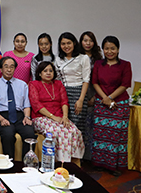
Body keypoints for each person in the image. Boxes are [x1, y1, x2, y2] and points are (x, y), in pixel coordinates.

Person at [29, 61, 85, 165]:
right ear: (39, 73)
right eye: (45, 71)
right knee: (57, 132)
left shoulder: (58, 84)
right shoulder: (34, 84)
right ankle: (59, 163)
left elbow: (64, 101)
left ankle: (74, 163)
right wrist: (53, 117)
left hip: (60, 117)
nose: (48, 73)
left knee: (74, 131)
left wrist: (65, 117)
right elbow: (36, 104)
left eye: (51, 70)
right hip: (41, 117)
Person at [92, 36, 132, 176]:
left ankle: (115, 166)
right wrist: (105, 98)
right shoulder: (98, 64)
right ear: (103, 49)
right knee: (100, 135)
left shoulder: (125, 65)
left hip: (119, 104)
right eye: (107, 48)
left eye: (112, 48)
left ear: (118, 49)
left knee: (116, 136)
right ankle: (100, 163)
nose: (109, 51)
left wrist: (110, 98)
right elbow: (95, 82)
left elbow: (125, 84)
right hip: (101, 103)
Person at [0, 56, 35, 158]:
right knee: (8, 135)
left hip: (20, 116)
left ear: (15, 69)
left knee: (30, 135)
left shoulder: (22, 85)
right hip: (2, 116)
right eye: (6, 66)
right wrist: (1, 119)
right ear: (1, 69)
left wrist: (27, 117)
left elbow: (26, 105)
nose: (9, 69)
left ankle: (26, 164)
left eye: (12, 67)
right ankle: (9, 163)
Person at [54, 32, 90, 140]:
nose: (66, 46)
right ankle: (64, 154)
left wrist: (81, 100)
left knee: (77, 127)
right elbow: (57, 80)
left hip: (78, 92)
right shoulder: (57, 59)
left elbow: (86, 80)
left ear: (74, 43)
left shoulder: (83, 58)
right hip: (63, 93)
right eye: (63, 44)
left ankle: (77, 156)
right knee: (63, 126)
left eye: (68, 43)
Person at [79, 31, 102, 160]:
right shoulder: (77, 57)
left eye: (90, 41)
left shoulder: (98, 59)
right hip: (80, 94)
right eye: (85, 40)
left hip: (94, 93)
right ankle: (80, 157)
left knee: (91, 126)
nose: (88, 43)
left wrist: (95, 96)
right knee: (80, 126)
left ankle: (90, 157)